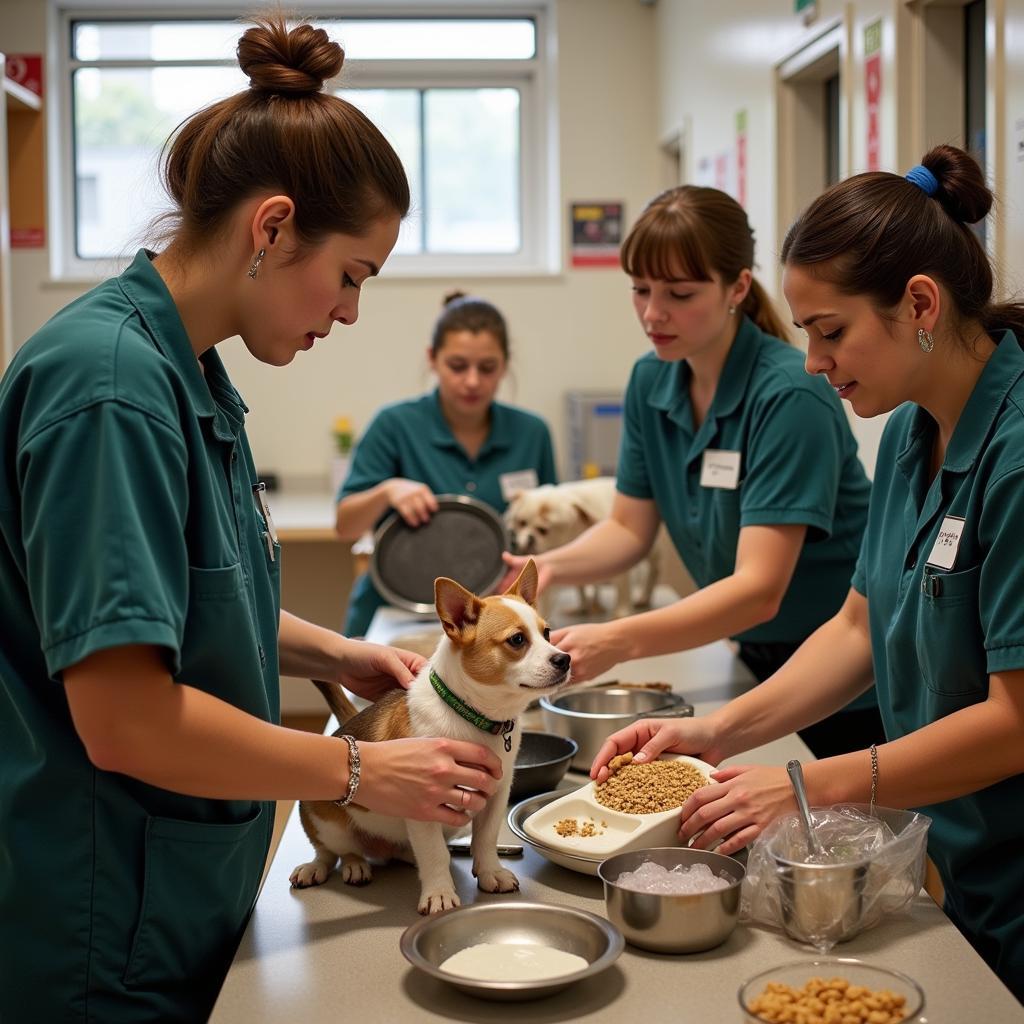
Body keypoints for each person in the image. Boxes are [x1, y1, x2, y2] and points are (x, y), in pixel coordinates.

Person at [0, 18, 505, 1023]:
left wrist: (338, 655)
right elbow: (125, 715)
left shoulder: (191, 376)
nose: (353, 312)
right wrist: (362, 766)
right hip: (104, 919)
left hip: (185, 893)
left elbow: (179, 599)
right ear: (271, 228)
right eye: (352, 274)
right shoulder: (108, 390)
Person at [591, 146, 1024, 1001]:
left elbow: (1015, 721)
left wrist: (804, 785)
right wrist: (718, 736)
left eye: (833, 331)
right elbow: (858, 628)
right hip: (968, 861)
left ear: (921, 304)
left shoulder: (1014, 458)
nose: (816, 361)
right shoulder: (912, 430)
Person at [502, 185, 883, 758]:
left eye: (679, 294)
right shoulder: (653, 380)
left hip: (843, 674)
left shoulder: (790, 395)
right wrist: (546, 569)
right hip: (749, 654)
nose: (653, 313)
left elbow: (759, 590)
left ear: (737, 287)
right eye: (640, 290)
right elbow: (630, 528)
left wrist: (618, 639)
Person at [335, 291, 557, 636]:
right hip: (395, 616)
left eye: (487, 368)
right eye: (457, 366)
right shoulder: (395, 425)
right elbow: (345, 525)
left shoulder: (532, 433)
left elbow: (550, 534)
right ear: (432, 359)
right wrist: (388, 491)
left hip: (493, 629)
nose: (472, 381)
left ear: (505, 364)